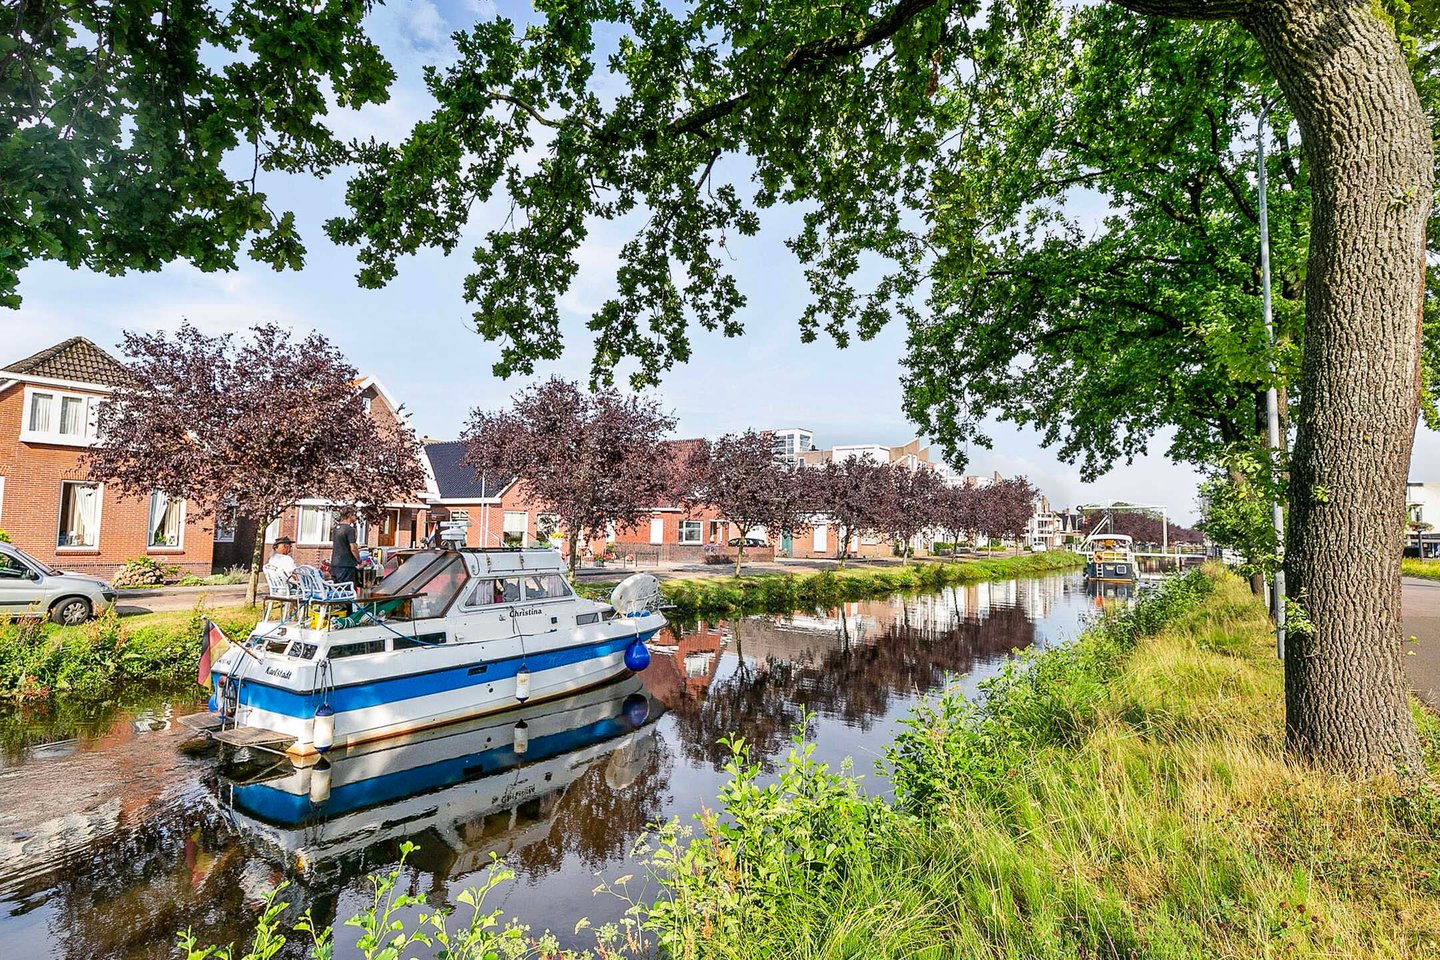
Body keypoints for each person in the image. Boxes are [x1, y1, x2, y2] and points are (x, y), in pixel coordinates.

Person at [330, 507, 361, 587]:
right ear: (350, 515)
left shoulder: (336, 528)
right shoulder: (349, 529)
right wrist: (359, 560)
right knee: (347, 591)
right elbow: (353, 548)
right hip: (346, 566)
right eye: (354, 515)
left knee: (337, 590)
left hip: (334, 565)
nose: (355, 518)